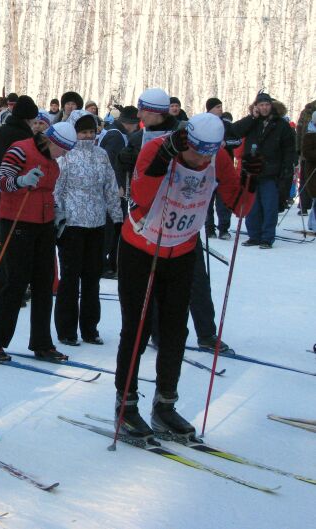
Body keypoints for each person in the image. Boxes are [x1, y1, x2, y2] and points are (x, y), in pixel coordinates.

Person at [114, 113, 261, 441]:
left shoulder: (217, 158)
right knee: (136, 330)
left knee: (175, 332)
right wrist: (164, 158)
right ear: (186, 140)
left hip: (181, 251)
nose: (200, 159)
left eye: (208, 153)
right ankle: (126, 406)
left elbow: (238, 206)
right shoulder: (156, 148)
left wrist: (250, 180)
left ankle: (165, 405)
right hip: (141, 246)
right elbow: (139, 193)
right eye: (196, 152)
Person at [0, 122, 77, 362]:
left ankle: (42, 344)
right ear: (53, 142)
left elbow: (47, 193)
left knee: (44, 285)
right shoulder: (20, 149)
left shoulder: (53, 163)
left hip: (44, 225)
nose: (64, 156)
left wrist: (57, 212)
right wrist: (22, 181)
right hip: (17, 222)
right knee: (15, 283)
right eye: (64, 150)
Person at [54, 111, 122, 347]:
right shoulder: (66, 156)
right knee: (70, 279)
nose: (88, 136)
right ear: (74, 132)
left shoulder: (101, 155)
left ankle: (90, 328)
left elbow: (110, 188)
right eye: (83, 132)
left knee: (92, 279)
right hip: (72, 226)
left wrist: (117, 216)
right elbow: (57, 191)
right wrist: (59, 219)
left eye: (91, 131)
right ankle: (66, 330)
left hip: (97, 225)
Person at [0, 95, 39, 309]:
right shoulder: (19, 138)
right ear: (28, 119)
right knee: (9, 248)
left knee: (2, 245)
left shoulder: (1, 133)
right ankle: (3, 293)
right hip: (9, 200)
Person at [231, 92, 296, 249]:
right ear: (256, 107)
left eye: (267, 104)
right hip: (251, 171)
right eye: (261, 105)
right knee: (252, 207)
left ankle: (267, 237)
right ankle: (254, 235)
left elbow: (289, 149)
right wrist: (251, 118)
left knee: (269, 206)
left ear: (271, 105)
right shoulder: (252, 122)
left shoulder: (281, 125)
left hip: (271, 172)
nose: (264, 108)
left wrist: (287, 169)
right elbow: (235, 131)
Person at [99, 105, 139, 278]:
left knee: (114, 226)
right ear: (131, 123)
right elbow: (111, 162)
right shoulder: (116, 136)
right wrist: (116, 185)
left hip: (113, 188)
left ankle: (111, 264)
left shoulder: (115, 132)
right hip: (114, 190)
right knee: (112, 227)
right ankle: (104, 264)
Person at [203, 97, 238, 240]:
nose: (220, 109)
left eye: (221, 106)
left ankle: (224, 229)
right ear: (209, 109)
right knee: (206, 202)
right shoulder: (203, 123)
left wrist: (226, 142)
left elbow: (238, 140)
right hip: (206, 168)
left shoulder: (227, 125)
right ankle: (209, 229)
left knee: (224, 202)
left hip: (224, 169)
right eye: (217, 107)